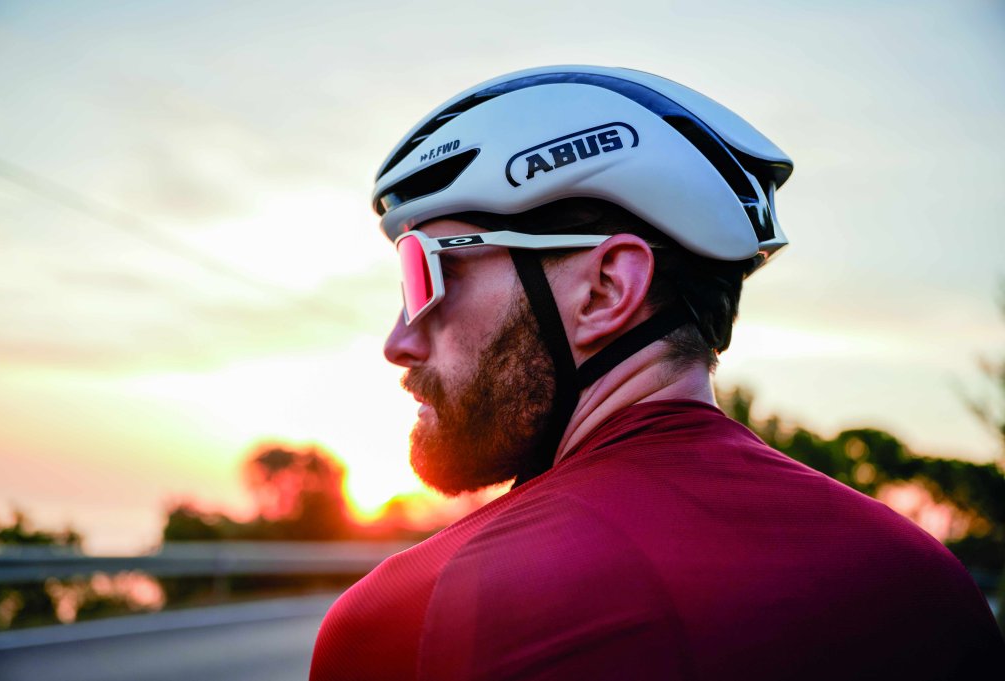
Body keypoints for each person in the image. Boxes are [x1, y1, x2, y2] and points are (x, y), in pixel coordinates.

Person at [310, 66, 1004, 680]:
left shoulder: (410, 619)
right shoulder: (925, 580)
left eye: (428, 271)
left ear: (608, 287)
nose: (399, 338)